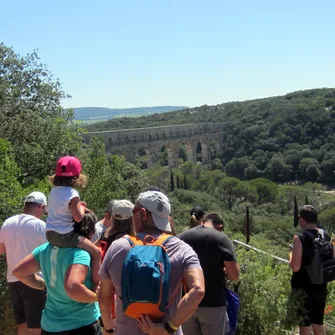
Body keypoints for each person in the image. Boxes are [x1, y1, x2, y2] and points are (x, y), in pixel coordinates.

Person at [99, 191, 205, 335]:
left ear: (143, 214)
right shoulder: (183, 249)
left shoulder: (117, 247)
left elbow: (104, 299)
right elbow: (198, 290)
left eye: (133, 211)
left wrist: (108, 329)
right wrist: (170, 327)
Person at [13, 213, 101, 335]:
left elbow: (19, 272)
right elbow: (73, 287)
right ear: (90, 232)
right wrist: (96, 297)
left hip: (50, 326)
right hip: (81, 325)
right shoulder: (80, 254)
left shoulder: (44, 249)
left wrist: (43, 285)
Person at [178, 213, 240, 335]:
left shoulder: (182, 237)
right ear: (220, 227)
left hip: (186, 303)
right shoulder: (221, 239)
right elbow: (234, 275)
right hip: (213, 304)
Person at [46, 155, 101, 284]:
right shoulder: (72, 193)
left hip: (49, 234)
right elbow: (78, 217)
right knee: (96, 252)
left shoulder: (54, 191)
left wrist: (78, 205)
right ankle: (97, 285)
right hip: (65, 235)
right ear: (77, 177)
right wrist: (81, 207)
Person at [0, 191, 48, 335]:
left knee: (22, 324)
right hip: (34, 281)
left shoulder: (8, 222)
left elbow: (1, 249)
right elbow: (52, 252)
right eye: (44, 210)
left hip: (13, 280)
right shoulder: (40, 225)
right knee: (37, 326)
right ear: (40, 207)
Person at [289, 205, 330, 335]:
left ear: (302, 220)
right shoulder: (325, 235)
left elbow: (295, 267)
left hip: (303, 288)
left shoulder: (299, 238)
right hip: (321, 285)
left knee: (304, 325)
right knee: (318, 323)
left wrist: (291, 253)